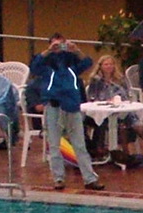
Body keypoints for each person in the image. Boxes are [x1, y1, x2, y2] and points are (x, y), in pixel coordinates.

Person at [31, 33, 102, 191]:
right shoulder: (46, 65)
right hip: (54, 106)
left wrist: (76, 50)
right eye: (55, 45)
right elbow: (33, 67)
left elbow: (88, 63)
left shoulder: (72, 63)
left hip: (72, 106)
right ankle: (58, 178)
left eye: (60, 44)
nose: (59, 48)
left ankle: (90, 178)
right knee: (55, 145)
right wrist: (48, 51)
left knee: (79, 144)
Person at [85, 54, 143, 168]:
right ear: (100, 66)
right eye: (106, 64)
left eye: (111, 64)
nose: (109, 67)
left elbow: (127, 94)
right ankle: (106, 150)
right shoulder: (95, 80)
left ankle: (124, 152)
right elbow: (93, 98)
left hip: (119, 108)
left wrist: (118, 100)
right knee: (116, 120)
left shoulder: (120, 79)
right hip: (102, 111)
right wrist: (107, 100)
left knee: (125, 118)